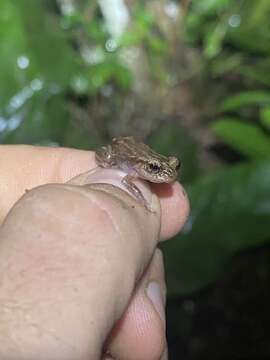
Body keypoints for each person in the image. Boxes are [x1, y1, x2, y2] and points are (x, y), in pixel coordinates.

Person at [0, 145, 189, 360]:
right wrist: (133, 197)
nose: (168, 174)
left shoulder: (155, 169)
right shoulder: (133, 173)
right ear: (143, 167)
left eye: (175, 166)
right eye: (155, 169)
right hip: (119, 150)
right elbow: (127, 182)